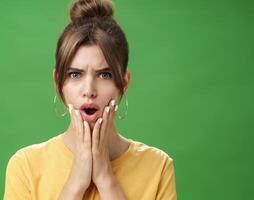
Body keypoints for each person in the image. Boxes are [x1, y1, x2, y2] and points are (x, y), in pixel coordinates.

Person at [3, 0, 177, 199]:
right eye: (75, 74)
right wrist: (76, 182)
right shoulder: (25, 166)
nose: (89, 90)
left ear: (124, 83)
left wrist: (105, 178)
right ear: (58, 82)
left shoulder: (158, 167)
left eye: (104, 75)